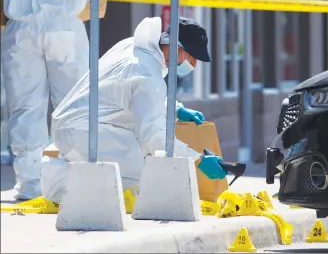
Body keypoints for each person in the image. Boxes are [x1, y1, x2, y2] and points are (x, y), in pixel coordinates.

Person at [41, 16, 227, 203]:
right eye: (192, 58)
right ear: (177, 47)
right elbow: (153, 137)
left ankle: (68, 175)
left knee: (140, 164)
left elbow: (133, 94)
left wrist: (176, 110)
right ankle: (58, 180)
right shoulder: (146, 73)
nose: (193, 66)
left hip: (78, 124)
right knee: (143, 175)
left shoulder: (135, 48)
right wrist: (198, 160)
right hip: (81, 132)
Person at [1, 0, 90, 200]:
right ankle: (74, 179)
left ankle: (30, 184)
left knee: (25, 109)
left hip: (21, 26)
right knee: (73, 106)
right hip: (64, 23)